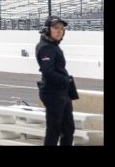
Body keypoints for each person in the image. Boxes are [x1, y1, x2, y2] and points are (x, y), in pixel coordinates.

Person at [35, 15, 76, 146]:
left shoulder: (53, 46)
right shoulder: (46, 47)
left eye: (62, 28)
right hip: (53, 93)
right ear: (48, 30)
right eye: (56, 28)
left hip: (61, 92)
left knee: (68, 129)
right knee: (54, 130)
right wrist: (65, 80)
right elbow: (48, 72)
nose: (59, 31)